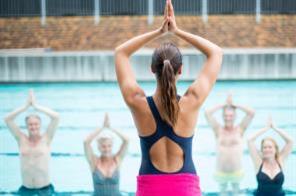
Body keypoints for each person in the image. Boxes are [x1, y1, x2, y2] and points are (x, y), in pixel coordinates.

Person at [114, 0, 223, 195]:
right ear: (181, 69)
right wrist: (176, 31)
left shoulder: (136, 101)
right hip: (185, 188)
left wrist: (158, 32)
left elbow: (120, 53)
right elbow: (215, 52)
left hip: (150, 188)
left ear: (151, 69)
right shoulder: (192, 100)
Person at [4, 90, 59, 196]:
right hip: (25, 189)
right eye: (30, 125)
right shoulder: (21, 139)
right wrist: (25, 107)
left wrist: (36, 106)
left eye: (36, 124)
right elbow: (7, 119)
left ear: (40, 125)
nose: (33, 127)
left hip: (45, 190)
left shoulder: (47, 138)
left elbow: (56, 117)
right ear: (26, 126)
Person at [205, 94, 255, 195]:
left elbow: (251, 113)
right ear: (222, 116)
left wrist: (234, 105)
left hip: (236, 172)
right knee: (222, 193)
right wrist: (224, 105)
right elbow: (207, 113)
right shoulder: (217, 129)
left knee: (236, 193)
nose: (228, 118)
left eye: (231, 116)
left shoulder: (240, 129)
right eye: (226, 116)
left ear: (235, 116)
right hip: (221, 172)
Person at [83, 113, 129, 196]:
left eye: (109, 146)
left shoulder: (117, 159)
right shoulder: (94, 162)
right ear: (99, 147)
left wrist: (110, 127)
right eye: (103, 146)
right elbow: (86, 142)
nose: (107, 149)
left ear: (112, 146)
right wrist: (102, 127)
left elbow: (127, 140)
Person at [248, 117, 293, 196]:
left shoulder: (280, 160)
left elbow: (290, 141)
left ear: (275, 149)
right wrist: (266, 128)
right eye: (264, 147)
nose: (267, 149)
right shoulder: (258, 163)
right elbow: (250, 140)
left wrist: (275, 128)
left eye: (270, 147)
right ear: (262, 150)